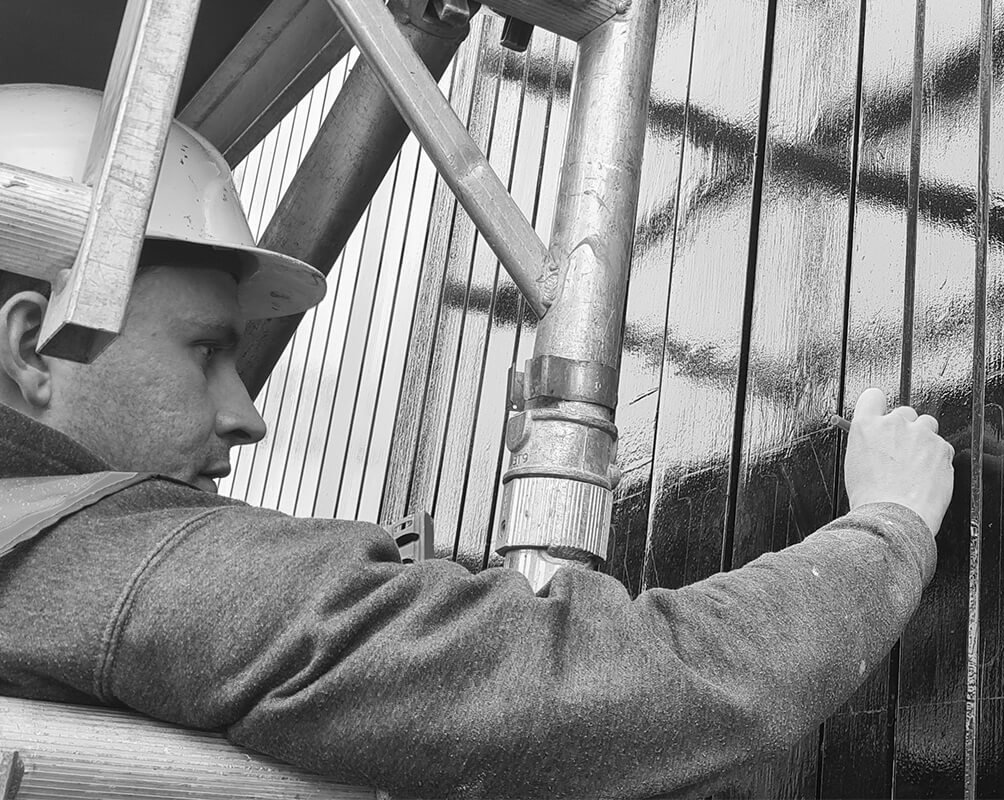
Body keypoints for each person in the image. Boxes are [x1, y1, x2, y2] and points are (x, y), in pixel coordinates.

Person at [0, 83, 955, 798]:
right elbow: (595, 692)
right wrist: (888, 525)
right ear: (29, 348)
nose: (247, 411)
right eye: (204, 349)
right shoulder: (118, 565)